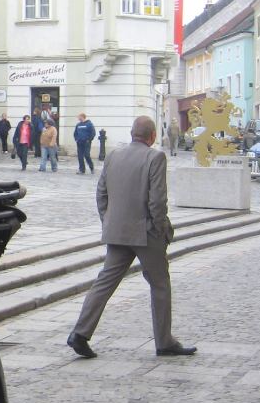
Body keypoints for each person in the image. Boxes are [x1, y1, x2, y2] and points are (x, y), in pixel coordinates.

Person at [67, 116, 196, 359]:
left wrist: (108, 220)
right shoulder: (155, 157)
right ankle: (164, 341)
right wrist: (159, 228)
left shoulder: (114, 156)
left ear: (131, 133)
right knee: (160, 284)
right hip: (145, 232)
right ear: (153, 136)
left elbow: (101, 193)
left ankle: (80, 333)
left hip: (117, 231)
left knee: (104, 283)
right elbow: (157, 200)